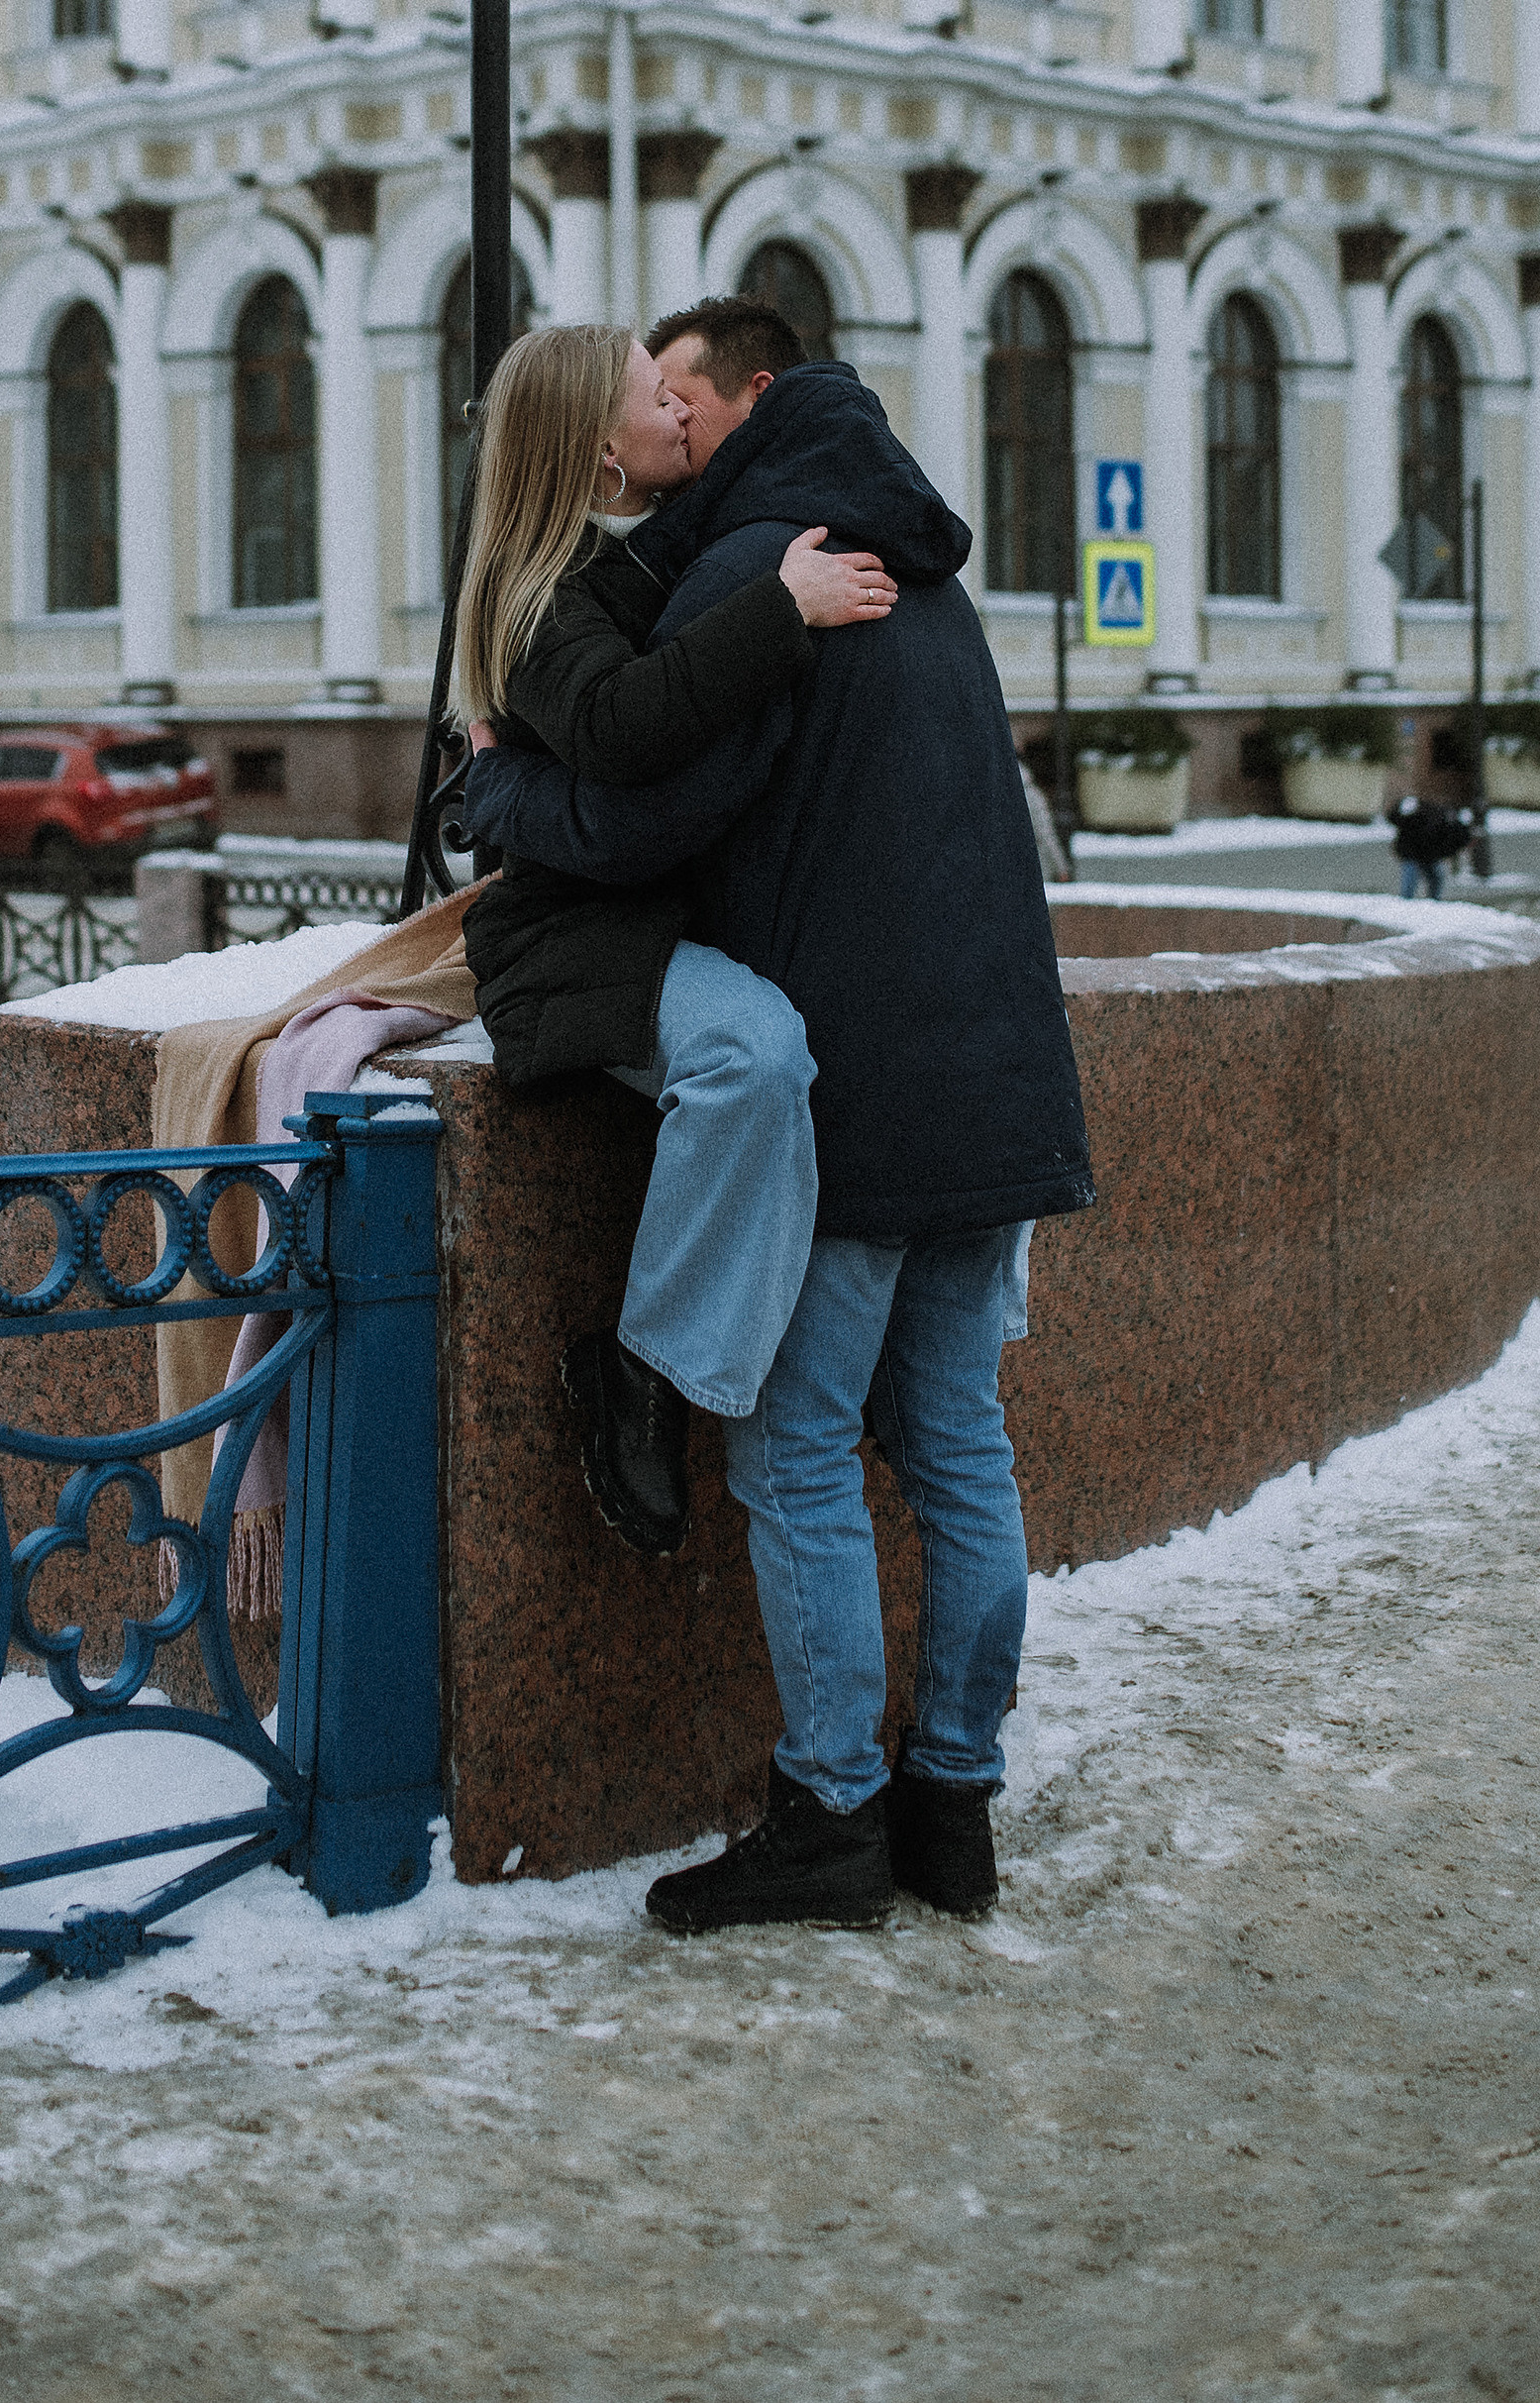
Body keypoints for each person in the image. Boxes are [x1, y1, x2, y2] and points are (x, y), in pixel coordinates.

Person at [466, 301, 1092, 1936]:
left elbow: (653, 798)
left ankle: (828, 1816)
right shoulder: (917, 550)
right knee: (957, 1438)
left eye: (675, 391)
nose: (656, 419)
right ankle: (952, 1807)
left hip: (870, 1070)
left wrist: (501, 792)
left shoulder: (764, 560)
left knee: (800, 1441)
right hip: (1000, 1059)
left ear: (738, 406)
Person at [455, 322, 898, 1558]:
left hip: (640, 920)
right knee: (753, 1056)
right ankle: (641, 1367)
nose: (682, 411)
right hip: (571, 945)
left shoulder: (633, 553)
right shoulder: (524, 587)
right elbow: (620, 724)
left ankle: (688, 1367)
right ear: (601, 440)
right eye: (660, 395)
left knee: (775, 1056)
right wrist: (784, 608)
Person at [1389, 788, 1474, 902]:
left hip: (1429, 854)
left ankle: (1431, 903)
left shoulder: (1448, 819)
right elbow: (1395, 818)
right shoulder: (1425, 812)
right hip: (1414, 852)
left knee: (1434, 879)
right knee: (1413, 879)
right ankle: (1408, 903)